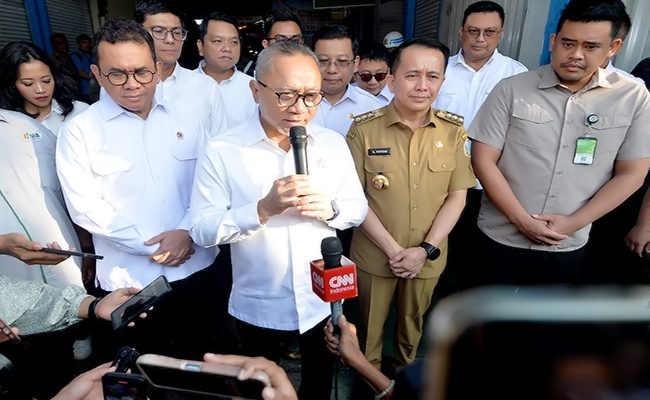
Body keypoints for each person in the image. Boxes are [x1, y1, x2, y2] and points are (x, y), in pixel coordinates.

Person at [189, 40, 368, 400]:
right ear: (256, 90)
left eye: (311, 96)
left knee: (320, 384)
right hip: (257, 303)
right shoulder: (222, 150)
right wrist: (262, 209)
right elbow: (201, 229)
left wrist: (330, 208)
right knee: (258, 390)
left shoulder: (332, 143)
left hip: (322, 300)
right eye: (286, 95)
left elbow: (357, 209)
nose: (299, 109)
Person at [55, 19, 218, 359]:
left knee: (204, 369)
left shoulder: (187, 119)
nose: (132, 84)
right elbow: (86, 208)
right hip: (129, 285)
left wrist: (187, 232)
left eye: (142, 72)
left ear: (157, 70)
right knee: (139, 377)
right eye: (117, 74)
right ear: (97, 74)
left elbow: (211, 186)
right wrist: (155, 248)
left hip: (199, 272)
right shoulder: (80, 131)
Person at [469, 0, 650, 286]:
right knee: (487, 315)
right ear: (553, 41)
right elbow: (482, 159)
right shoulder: (512, 89)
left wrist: (574, 222)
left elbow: (633, 173)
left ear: (613, 47)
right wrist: (521, 220)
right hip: (501, 234)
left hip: (566, 241)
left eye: (590, 47)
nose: (575, 55)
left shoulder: (633, 98)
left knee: (547, 321)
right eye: (567, 43)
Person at [346, 39, 475, 373]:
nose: (422, 85)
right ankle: (369, 383)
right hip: (375, 256)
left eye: (432, 76)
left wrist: (425, 249)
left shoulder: (453, 131)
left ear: (442, 82)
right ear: (392, 80)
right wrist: (392, 249)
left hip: (427, 259)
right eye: (412, 75)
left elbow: (457, 196)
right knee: (368, 334)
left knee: (410, 332)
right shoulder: (364, 130)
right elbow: (353, 198)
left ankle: (401, 384)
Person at [432, 1, 527, 294]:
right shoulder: (440, 70)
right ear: (461, 32)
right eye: (473, 31)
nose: (480, 39)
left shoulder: (516, 75)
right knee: (442, 242)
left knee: (481, 249)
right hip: (440, 178)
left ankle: (471, 301)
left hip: (491, 182)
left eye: (489, 32)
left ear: (501, 34)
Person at [135, 0, 229, 134]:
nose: (170, 39)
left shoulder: (206, 86)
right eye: (159, 31)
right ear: (138, 33)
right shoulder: (124, 86)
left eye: (177, 32)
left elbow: (220, 143)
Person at [0, 41, 89, 135]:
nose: (40, 90)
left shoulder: (79, 111)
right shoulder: (5, 121)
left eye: (46, 81)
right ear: (12, 83)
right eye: (28, 83)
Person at [310, 24, 381, 136]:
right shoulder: (295, 104)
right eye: (323, 61)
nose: (332, 70)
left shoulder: (371, 107)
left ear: (356, 63)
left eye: (342, 61)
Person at [196, 12, 256, 126]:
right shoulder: (182, 85)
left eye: (234, 42)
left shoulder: (253, 88)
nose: (227, 48)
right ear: (200, 46)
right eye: (218, 41)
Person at [353, 42, 393, 106]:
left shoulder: (399, 97)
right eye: (366, 76)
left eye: (380, 76)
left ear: (388, 72)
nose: (373, 82)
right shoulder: (343, 97)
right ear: (354, 74)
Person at [70, 34, 95, 103]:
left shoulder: (91, 55)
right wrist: (95, 78)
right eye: (84, 42)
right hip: (85, 91)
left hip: (96, 88)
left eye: (88, 42)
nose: (87, 45)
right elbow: (80, 73)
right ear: (78, 45)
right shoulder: (76, 56)